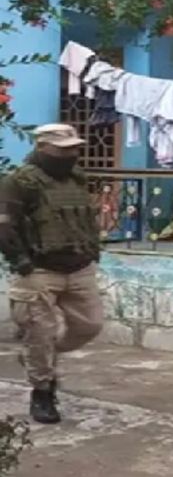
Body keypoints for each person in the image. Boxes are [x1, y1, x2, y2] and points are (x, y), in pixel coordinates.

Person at [0, 124, 104, 424]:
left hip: (79, 267)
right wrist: (21, 261)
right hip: (39, 270)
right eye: (63, 150)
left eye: (74, 149)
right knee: (40, 331)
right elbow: (4, 226)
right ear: (42, 147)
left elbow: (84, 219)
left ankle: (38, 354)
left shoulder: (76, 178)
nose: (71, 155)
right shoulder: (19, 182)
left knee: (90, 325)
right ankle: (43, 392)